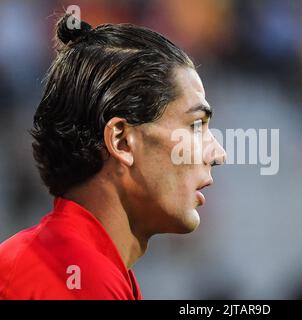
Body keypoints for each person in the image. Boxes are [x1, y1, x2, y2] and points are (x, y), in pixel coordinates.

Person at [0, 14, 226, 300]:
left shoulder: (75, 267)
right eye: (195, 126)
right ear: (122, 141)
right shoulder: (76, 279)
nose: (218, 153)